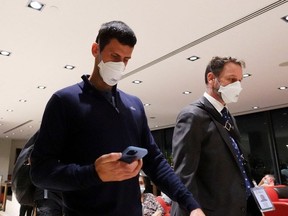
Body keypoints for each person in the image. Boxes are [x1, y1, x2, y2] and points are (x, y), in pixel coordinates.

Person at [30, 20, 204, 216]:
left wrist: (191, 204)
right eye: (114, 56)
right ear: (96, 49)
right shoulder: (64, 101)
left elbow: (155, 161)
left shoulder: (134, 105)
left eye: (126, 59)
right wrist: (93, 173)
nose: (120, 65)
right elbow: (40, 172)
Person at [171, 56, 261, 216]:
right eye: (232, 79)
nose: (238, 86)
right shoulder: (192, 116)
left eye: (240, 80)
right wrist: (192, 209)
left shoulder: (228, 117)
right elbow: (184, 173)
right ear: (211, 78)